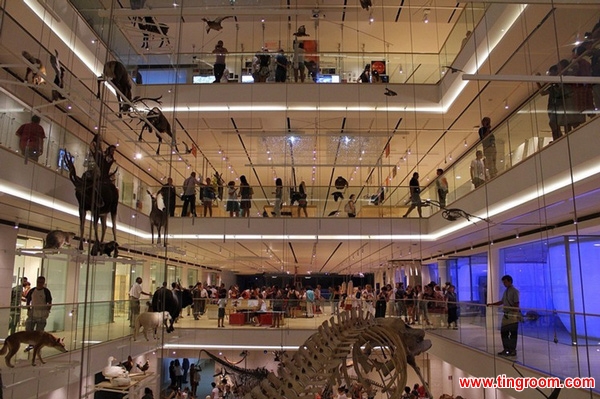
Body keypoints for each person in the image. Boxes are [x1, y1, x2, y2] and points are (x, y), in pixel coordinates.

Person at [487, 275, 520, 357]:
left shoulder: (514, 291)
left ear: (510, 281)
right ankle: (507, 349)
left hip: (512, 315)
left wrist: (513, 310)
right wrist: (492, 304)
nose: (504, 284)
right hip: (506, 315)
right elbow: (502, 301)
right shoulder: (506, 291)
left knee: (512, 333)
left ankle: (512, 350)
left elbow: (516, 304)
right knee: (504, 332)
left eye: (505, 282)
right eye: (503, 282)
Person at [24, 276, 52, 351]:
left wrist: (47, 311)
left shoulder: (46, 291)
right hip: (32, 313)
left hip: (42, 314)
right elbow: (28, 300)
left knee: (39, 332)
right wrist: (28, 309)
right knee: (29, 329)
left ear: (43, 283)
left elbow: (49, 302)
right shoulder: (32, 290)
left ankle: (37, 345)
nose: (39, 284)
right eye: (38, 282)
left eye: (41, 282)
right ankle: (31, 344)